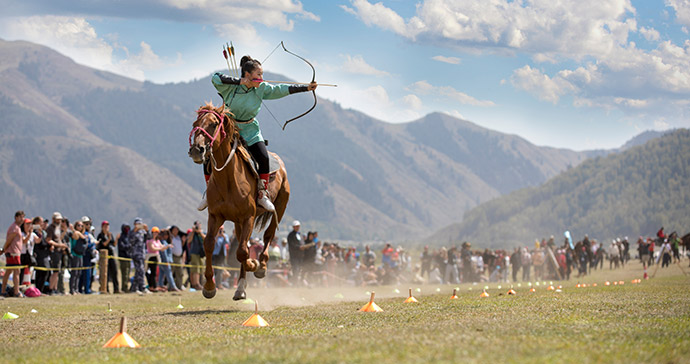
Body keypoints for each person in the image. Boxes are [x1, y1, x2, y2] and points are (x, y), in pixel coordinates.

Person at [197, 56, 318, 211]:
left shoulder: (262, 88)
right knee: (209, 156)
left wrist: (306, 88)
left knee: (263, 157)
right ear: (247, 75)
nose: (261, 78)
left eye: (262, 75)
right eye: (258, 75)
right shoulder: (230, 87)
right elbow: (215, 78)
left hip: (250, 130)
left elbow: (280, 89)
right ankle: (209, 193)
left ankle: (262, 194)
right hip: (229, 129)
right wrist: (239, 82)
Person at [2, 211, 26, 297]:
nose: (23, 219)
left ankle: (3, 290)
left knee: (8, 271)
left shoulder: (17, 227)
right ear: (16, 217)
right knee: (16, 271)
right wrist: (4, 249)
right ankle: (16, 291)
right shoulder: (15, 228)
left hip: (14, 252)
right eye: (21, 217)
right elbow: (9, 240)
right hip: (13, 252)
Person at [46, 212, 68, 295]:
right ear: (53, 219)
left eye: (60, 220)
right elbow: (49, 240)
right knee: (55, 271)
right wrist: (59, 245)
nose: (59, 221)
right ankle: (51, 289)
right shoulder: (50, 228)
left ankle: (55, 288)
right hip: (54, 252)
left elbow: (58, 238)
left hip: (59, 251)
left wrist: (64, 232)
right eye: (57, 219)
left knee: (57, 271)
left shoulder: (58, 228)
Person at [128, 218, 151, 294]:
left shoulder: (143, 232)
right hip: (135, 254)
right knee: (140, 270)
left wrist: (147, 230)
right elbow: (130, 241)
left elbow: (149, 238)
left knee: (139, 271)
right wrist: (135, 231)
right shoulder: (132, 232)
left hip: (142, 254)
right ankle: (142, 287)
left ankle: (134, 288)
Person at [97, 221, 119, 293]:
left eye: (107, 226)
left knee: (114, 272)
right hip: (104, 257)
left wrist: (116, 239)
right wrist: (109, 239)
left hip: (111, 255)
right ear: (102, 227)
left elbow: (113, 245)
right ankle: (106, 289)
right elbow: (103, 244)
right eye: (105, 226)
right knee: (105, 273)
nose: (106, 228)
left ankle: (116, 289)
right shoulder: (100, 235)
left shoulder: (110, 234)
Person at [69, 220, 87, 295]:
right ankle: (72, 289)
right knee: (74, 273)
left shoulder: (82, 234)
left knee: (79, 273)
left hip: (80, 255)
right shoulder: (75, 233)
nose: (80, 227)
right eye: (78, 225)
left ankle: (76, 289)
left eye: (81, 226)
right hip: (75, 254)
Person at [188, 221, 205, 290]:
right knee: (195, 269)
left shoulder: (202, 232)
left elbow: (205, 239)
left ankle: (199, 283)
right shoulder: (192, 233)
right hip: (194, 252)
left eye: (198, 225)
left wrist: (200, 232)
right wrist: (193, 232)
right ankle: (196, 284)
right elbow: (189, 241)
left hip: (201, 253)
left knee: (201, 269)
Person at [116, 224, 132, 292]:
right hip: (123, 257)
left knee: (128, 273)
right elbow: (121, 246)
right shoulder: (121, 236)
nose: (127, 230)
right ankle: (124, 288)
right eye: (126, 228)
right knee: (124, 274)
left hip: (128, 257)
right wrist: (129, 246)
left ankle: (126, 287)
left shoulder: (129, 236)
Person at [169, 225, 185, 290]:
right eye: (174, 230)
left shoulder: (178, 237)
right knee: (171, 271)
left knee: (180, 272)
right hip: (173, 256)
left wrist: (183, 241)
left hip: (179, 257)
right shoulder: (170, 237)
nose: (176, 231)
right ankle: (170, 286)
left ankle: (180, 285)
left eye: (177, 230)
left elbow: (181, 246)